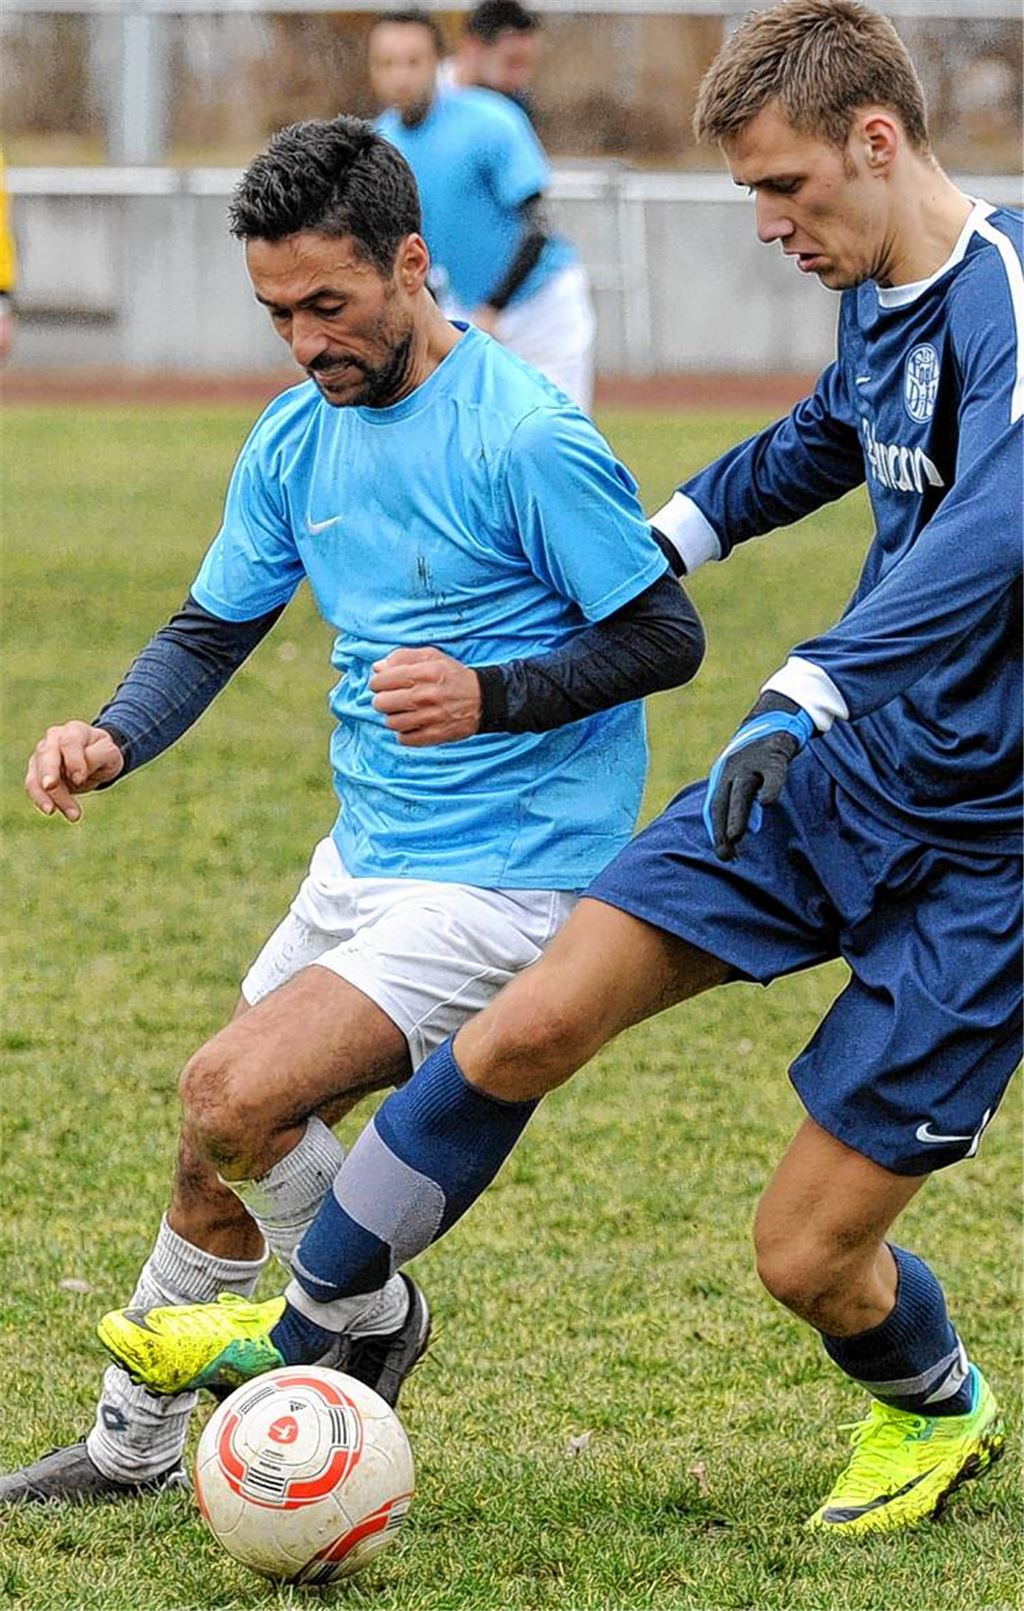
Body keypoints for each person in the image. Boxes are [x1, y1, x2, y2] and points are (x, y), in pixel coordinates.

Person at [104, 0, 1022, 1538]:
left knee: (804, 1255)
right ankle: (312, 1324)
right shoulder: (883, 289)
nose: (767, 226)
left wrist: (805, 680)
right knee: (529, 1018)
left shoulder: (1006, 298)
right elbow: (820, 437)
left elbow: (998, 533)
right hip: (845, 766)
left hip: (991, 840)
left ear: (877, 141)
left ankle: (936, 1404)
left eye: (783, 189)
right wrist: (662, 538)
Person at [3, 114, 705, 1506]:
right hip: (367, 856)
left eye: (330, 303)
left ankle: (362, 1312)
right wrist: (111, 733)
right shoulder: (293, 435)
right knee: (221, 1137)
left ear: (411, 263)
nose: (306, 340)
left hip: (511, 877)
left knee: (229, 1090)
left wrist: (493, 695)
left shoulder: (527, 436)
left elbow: (666, 634)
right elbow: (213, 625)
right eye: (278, 313)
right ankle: (134, 1448)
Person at [369, 9, 597, 411]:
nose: (401, 75)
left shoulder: (492, 120)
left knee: (555, 439)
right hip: (467, 313)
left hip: (539, 308)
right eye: (387, 63)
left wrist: (494, 308)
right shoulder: (378, 145)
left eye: (413, 61)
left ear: (437, 61)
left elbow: (538, 227)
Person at [438, 0, 541, 123]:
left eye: (526, 65)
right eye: (512, 62)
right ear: (472, 47)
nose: (521, 79)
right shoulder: (425, 98)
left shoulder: (517, 107)